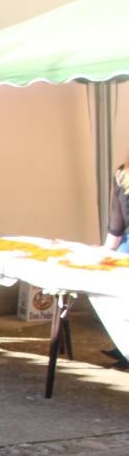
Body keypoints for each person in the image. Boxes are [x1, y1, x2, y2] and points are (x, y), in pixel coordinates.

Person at [101, 157, 129, 367]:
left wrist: (108, 249)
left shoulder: (123, 173)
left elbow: (117, 221)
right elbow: (117, 219)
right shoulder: (122, 174)